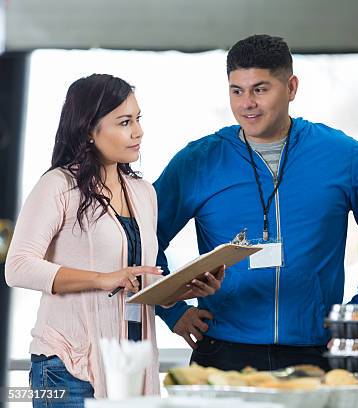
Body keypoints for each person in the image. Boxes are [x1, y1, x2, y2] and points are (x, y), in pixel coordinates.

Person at [154, 34, 358, 371]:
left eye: (260, 89)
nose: (247, 103)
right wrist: (171, 310)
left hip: (315, 351)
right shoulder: (197, 162)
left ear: (291, 88)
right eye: (237, 91)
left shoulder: (343, 156)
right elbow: (141, 238)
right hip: (221, 352)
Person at [5, 74, 222, 406]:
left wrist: (182, 289)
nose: (138, 131)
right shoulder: (58, 185)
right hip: (68, 366)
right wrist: (103, 278)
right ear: (90, 130)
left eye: (138, 119)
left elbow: (135, 286)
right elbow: (18, 267)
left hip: (130, 366)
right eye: (124, 122)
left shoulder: (143, 192)